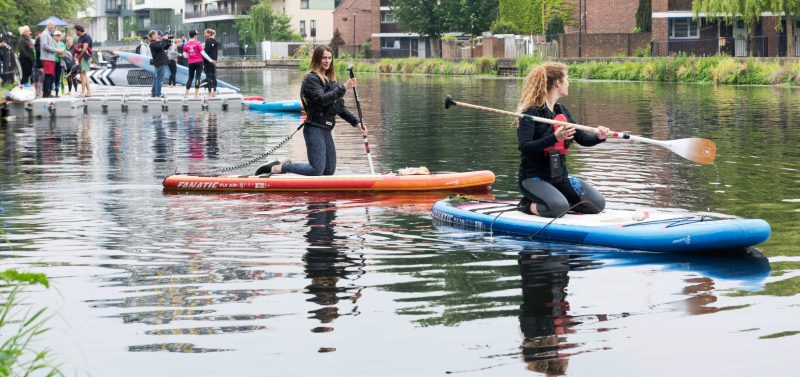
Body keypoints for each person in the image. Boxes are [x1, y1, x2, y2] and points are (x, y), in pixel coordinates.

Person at [516, 62, 608, 218]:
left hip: (559, 177)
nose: (568, 83)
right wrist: (554, 137)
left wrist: (599, 137)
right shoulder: (530, 111)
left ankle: (559, 201)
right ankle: (526, 204)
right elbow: (525, 147)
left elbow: (583, 138)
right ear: (558, 83)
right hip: (533, 178)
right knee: (558, 208)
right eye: (567, 79)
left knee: (596, 204)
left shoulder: (562, 111)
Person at [255, 45, 364, 176]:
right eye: (324, 58)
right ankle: (278, 168)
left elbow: (338, 107)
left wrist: (357, 123)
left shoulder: (331, 81)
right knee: (316, 170)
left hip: (326, 129)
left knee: (329, 170)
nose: (327, 61)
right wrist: (344, 87)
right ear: (317, 59)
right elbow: (322, 99)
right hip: (314, 128)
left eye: (330, 58)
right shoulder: (311, 79)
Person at [39, 21, 61, 98]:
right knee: (48, 75)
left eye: (54, 26)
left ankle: (48, 93)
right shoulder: (45, 34)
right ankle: (46, 93)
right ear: (47, 26)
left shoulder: (48, 34)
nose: (53, 27)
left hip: (50, 58)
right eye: (51, 25)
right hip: (47, 57)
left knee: (50, 75)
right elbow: (45, 46)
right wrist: (56, 50)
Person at [182, 30, 206, 98]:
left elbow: (185, 56)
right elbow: (203, 53)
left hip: (191, 62)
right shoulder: (198, 43)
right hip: (199, 62)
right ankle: (196, 94)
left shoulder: (186, 44)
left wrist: (191, 54)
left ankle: (186, 94)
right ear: (195, 35)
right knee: (198, 77)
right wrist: (210, 60)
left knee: (190, 77)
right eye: (196, 35)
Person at [148, 30, 170, 98]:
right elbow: (161, 46)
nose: (158, 36)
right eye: (156, 34)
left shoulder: (156, 42)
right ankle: (158, 94)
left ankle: (154, 93)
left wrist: (167, 40)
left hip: (160, 63)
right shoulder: (153, 43)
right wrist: (164, 39)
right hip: (159, 63)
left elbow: (165, 47)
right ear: (153, 35)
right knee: (159, 79)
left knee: (157, 78)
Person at [73, 25, 93, 97]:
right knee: (84, 75)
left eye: (76, 31)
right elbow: (79, 49)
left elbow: (84, 49)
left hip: (86, 57)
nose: (75, 32)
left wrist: (78, 57)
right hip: (82, 58)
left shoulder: (86, 37)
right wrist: (76, 55)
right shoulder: (80, 38)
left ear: (79, 30)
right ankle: (89, 92)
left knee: (82, 74)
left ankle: (83, 92)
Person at [202, 28, 218, 97]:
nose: (204, 35)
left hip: (208, 62)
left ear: (209, 34)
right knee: (213, 76)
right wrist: (215, 60)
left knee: (208, 76)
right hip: (213, 61)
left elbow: (205, 53)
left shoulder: (208, 41)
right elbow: (215, 53)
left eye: (205, 33)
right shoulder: (215, 41)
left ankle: (209, 92)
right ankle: (214, 91)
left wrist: (202, 62)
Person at [53, 30, 67, 97]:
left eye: (59, 35)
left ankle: (57, 91)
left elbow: (64, 52)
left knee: (58, 77)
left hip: (59, 62)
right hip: (52, 61)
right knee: (52, 76)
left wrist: (62, 54)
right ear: (54, 36)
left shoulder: (62, 44)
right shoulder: (52, 43)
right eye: (57, 35)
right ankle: (50, 90)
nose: (58, 37)